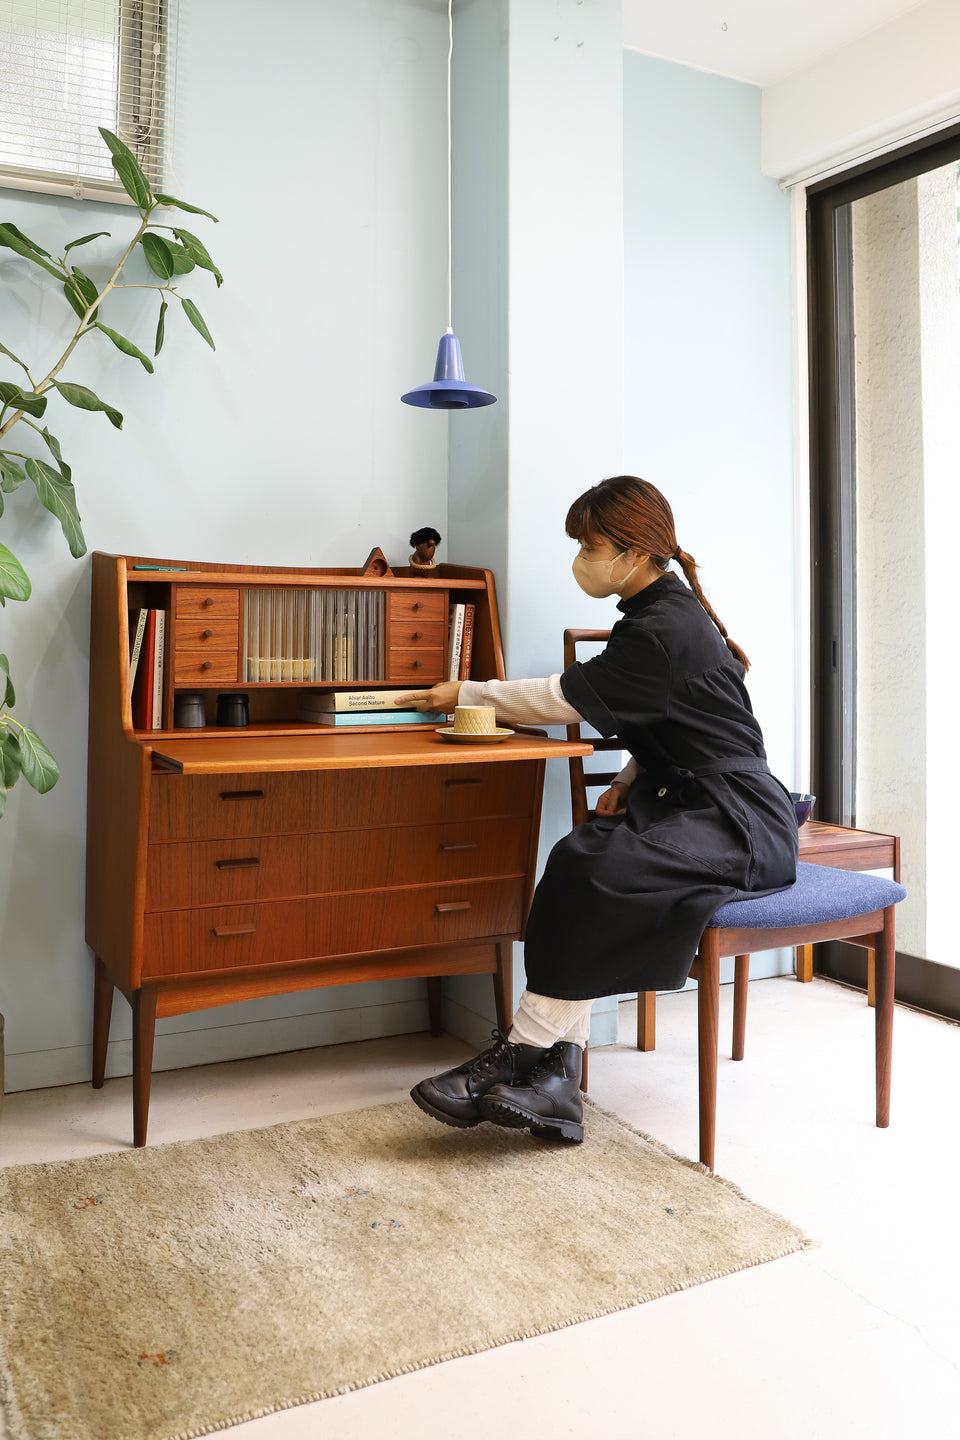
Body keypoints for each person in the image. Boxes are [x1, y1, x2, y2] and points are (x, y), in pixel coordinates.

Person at [397, 476, 798, 1145]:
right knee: (577, 854)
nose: (584, 556)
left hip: (740, 821)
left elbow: (562, 699)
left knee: (598, 867)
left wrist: (465, 692)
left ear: (636, 553)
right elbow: (682, 720)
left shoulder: (663, 627)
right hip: (696, 803)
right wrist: (636, 778)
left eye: (592, 543)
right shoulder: (658, 617)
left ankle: (519, 1055)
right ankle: (555, 1079)